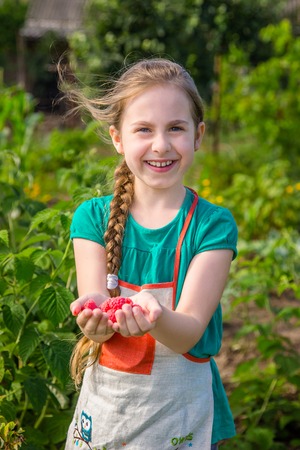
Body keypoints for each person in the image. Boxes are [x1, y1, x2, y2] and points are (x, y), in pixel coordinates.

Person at [64, 58, 238, 450]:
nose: (161, 144)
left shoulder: (212, 226)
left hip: (181, 414)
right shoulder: (92, 219)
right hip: (108, 409)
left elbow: (188, 331)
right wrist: (93, 319)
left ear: (198, 135)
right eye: (144, 129)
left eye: (176, 128)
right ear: (117, 138)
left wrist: (152, 316)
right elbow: (94, 298)